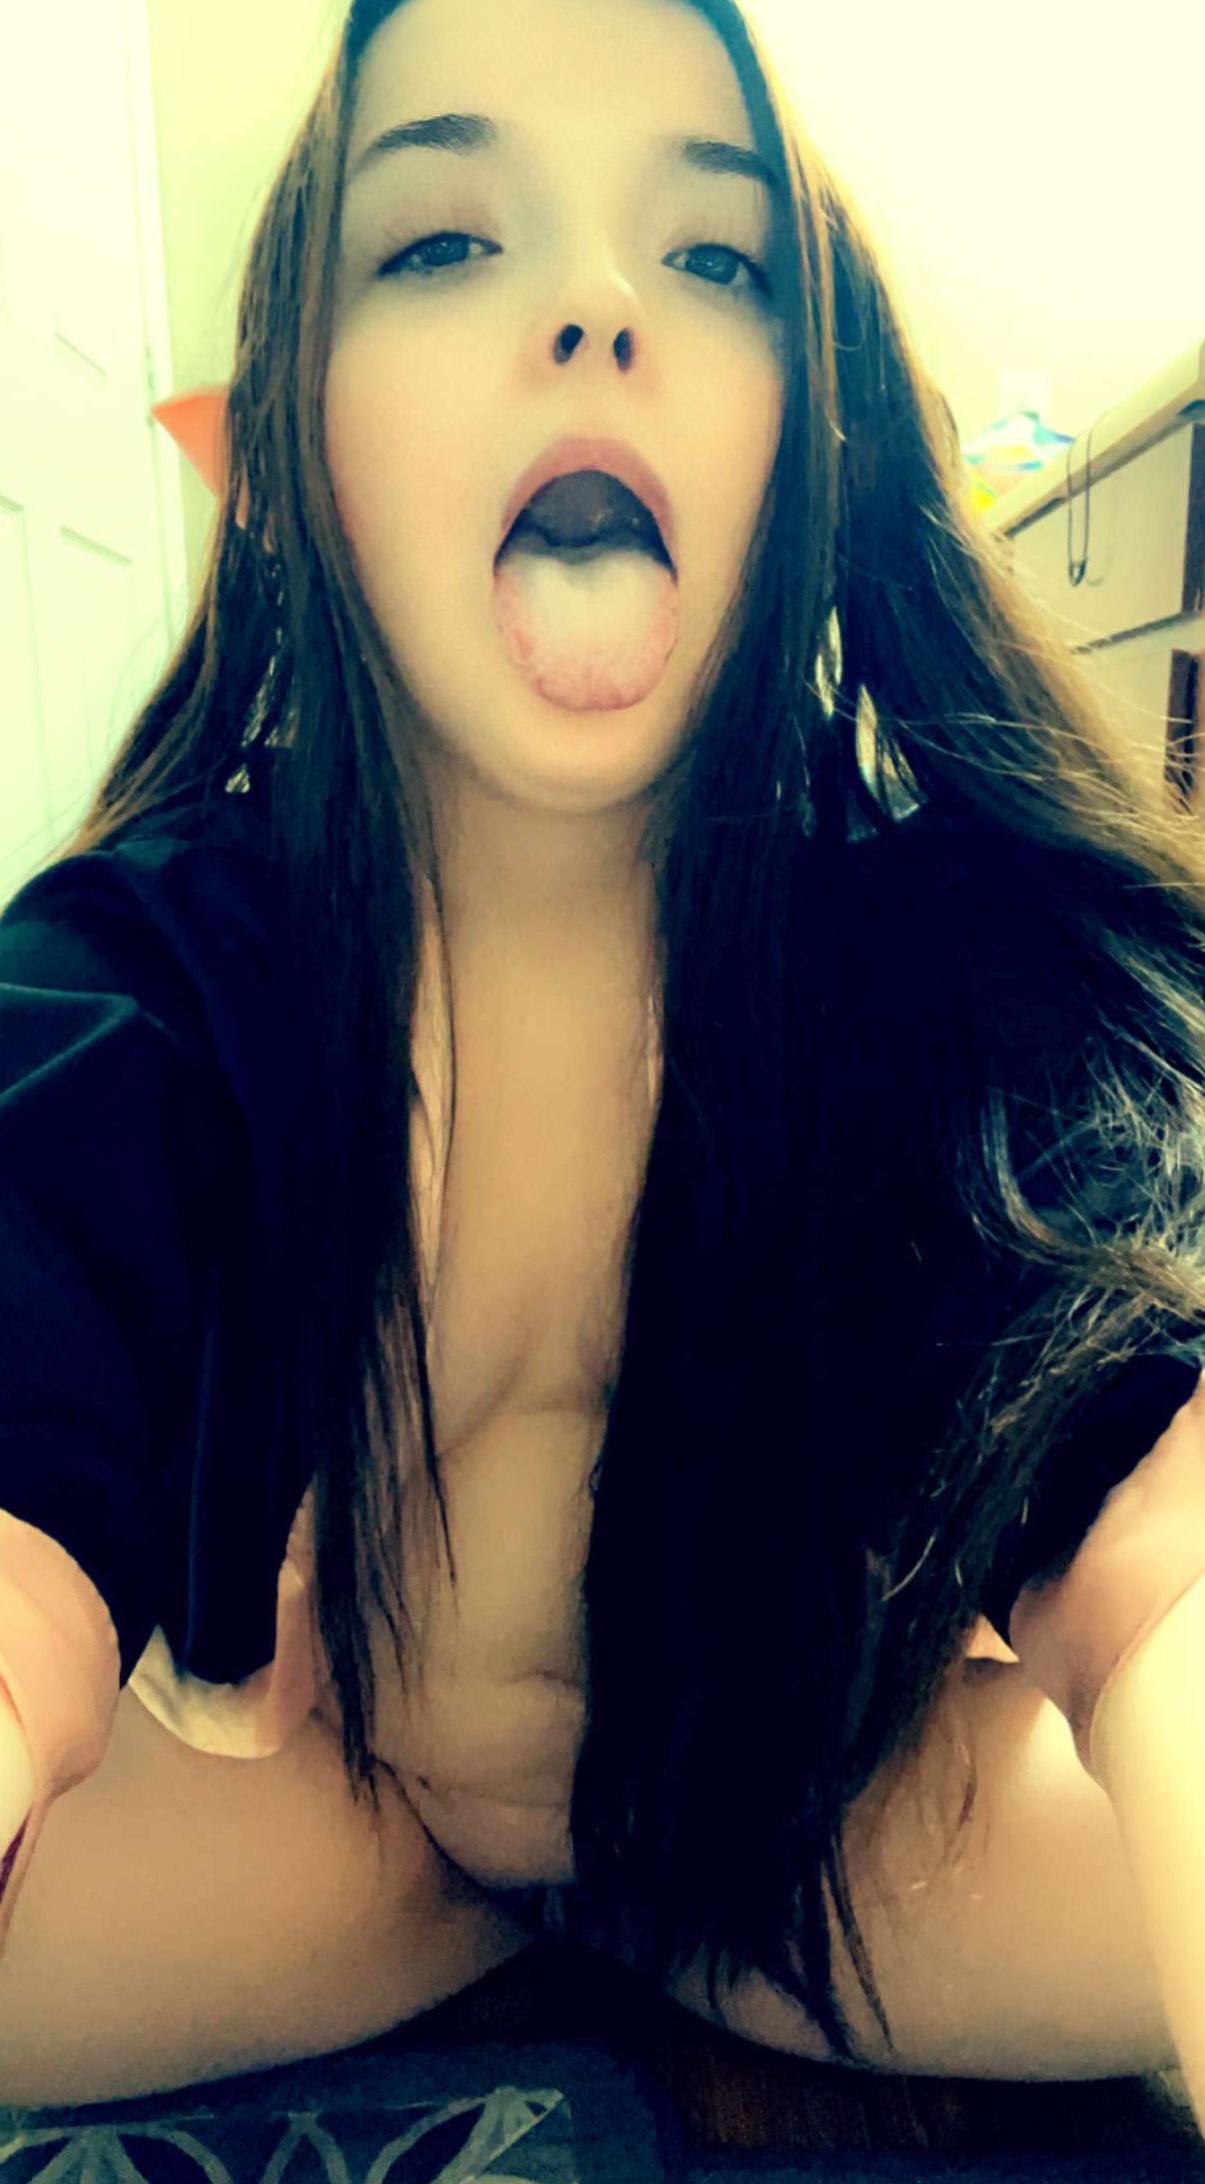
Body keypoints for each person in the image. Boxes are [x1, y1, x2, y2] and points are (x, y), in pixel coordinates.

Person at [3, 0, 1205, 2119]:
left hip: (803, 1820)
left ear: (817, 456)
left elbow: (1166, 1532)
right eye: (443, 241)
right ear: (275, 461)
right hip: (336, 1834)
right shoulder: (154, 969)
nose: (592, 306)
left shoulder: (951, 975)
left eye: (714, 256)